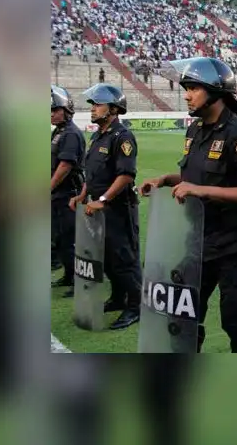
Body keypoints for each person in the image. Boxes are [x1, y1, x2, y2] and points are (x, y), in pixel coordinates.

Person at [139, 57, 237, 353]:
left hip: (235, 244)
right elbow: (192, 178)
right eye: (186, 88)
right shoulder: (195, 130)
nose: (186, 95)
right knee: (183, 315)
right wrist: (165, 180)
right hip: (198, 241)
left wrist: (199, 190)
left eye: (193, 88)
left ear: (216, 91)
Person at [70, 84, 142, 331]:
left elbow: (126, 175)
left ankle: (136, 306)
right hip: (98, 208)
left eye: (98, 104)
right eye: (92, 104)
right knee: (107, 258)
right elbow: (93, 173)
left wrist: (102, 200)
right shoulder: (98, 136)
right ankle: (118, 298)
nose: (92, 109)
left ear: (113, 109)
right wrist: (82, 195)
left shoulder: (122, 137)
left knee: (124, 259)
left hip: (118, 209)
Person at [51, 86, 86, 297]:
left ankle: (78, 280)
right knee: (60, 238)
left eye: (55, 110)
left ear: (66, 110)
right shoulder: (59, 132)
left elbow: (65, 165)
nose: (51, 114)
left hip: (68, 193)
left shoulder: (71, 134)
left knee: (71, 239)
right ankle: (68, 274)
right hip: (58, 194)